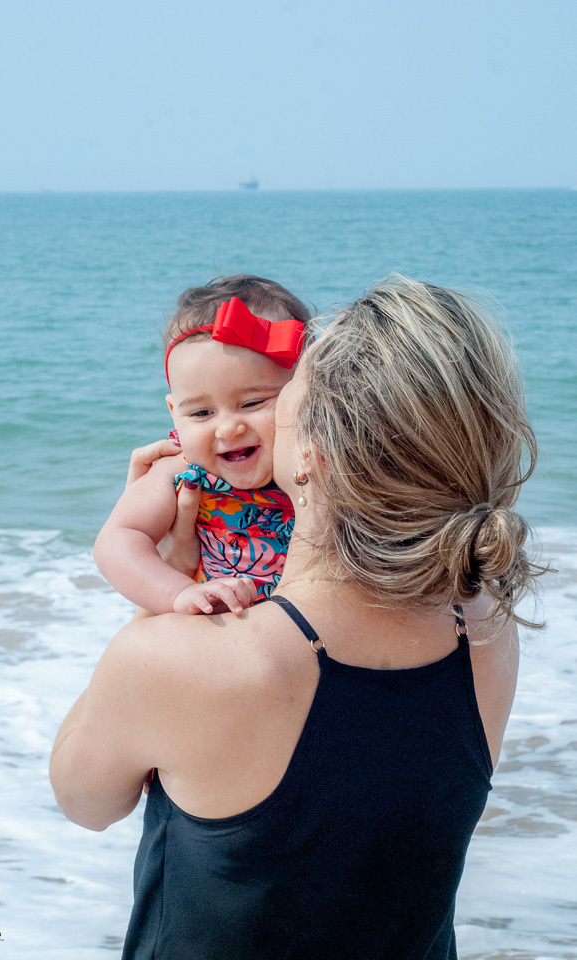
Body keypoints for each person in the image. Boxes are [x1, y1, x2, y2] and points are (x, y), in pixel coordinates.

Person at [51, 276, 544, 959]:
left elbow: (84, 801)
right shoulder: (485, 625)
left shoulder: (186, 659)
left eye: (277, 400)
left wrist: (157, 590)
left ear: (309, 455)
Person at [94, 275, 312, 616]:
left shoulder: (324, 462)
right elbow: (117, 540)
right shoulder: (182, 470)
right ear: (174, 413)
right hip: (218, 634)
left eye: (253, 403)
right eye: (201, 412)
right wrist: (179, 592)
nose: (227, 427)